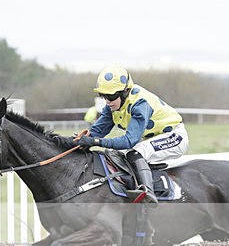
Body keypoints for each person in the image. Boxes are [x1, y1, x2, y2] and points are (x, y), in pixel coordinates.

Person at [74, 65, 189, 205]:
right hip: (151, 138)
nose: (108, 101)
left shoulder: (140, 103)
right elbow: (97, 131)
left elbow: (129, 141)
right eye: (103, 96)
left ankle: (147, 193)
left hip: (174, 137)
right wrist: (74, 143)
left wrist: (96, 142)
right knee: (115, 156)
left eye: (111, 96)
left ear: (125, 91)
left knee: (135, 153)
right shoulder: (112, 106)